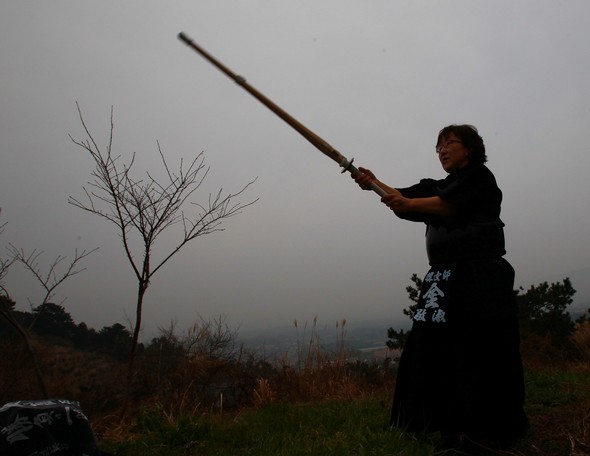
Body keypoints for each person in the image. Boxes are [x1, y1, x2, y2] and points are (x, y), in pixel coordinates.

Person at [353, 125, 529, 451]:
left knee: (478, 350)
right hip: (441, 279)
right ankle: (440, 420)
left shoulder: (479, 179)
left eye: (449, 143)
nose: (442, 150)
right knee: (432, 348)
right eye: (438, 146)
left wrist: (408, 205)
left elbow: (446, 207)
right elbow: (403, 197)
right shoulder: (438, 186)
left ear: (471, 148)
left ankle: (485, 428)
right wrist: (372, 183)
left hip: (479, 278)